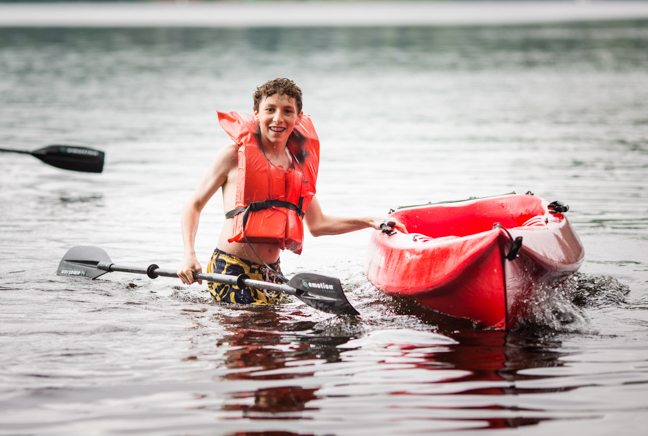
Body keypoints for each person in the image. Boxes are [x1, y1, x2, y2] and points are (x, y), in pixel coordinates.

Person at [178, 78, 406, 304]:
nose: (278, 118)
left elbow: (318, 225)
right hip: (230, 268)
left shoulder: (298, 166)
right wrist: (189, 255)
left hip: (272, 273)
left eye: (287, 111)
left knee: (275, 334)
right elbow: (194, 205)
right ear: (256, 113)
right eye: (270, 109)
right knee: (253, 334)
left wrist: (371, 221)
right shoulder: (233, 156)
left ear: (298, 117)